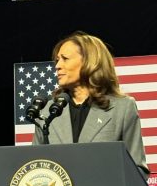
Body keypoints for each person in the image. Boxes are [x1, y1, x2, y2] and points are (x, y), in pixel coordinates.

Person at [32, 31, 149, 177]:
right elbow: (35, 169)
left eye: (65, 59)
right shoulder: (48, 111)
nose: (58, 65)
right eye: (57, 60)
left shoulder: (122, 108)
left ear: (89, 62)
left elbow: (137, 170)